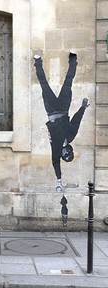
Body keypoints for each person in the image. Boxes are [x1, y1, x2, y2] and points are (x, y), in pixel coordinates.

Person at [34, 52, 89, 192]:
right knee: (68, 82)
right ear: (70, 149)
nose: (65, 152)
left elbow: (55, 163)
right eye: (67, 153)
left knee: (44, 85)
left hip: (51, 110)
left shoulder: (56, 148)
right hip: (64, 108)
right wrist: (82, 107)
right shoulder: (71, 136)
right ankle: (73, 59)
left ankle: (38, 61)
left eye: (64, 155)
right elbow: (77, 120)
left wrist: (59, 180)